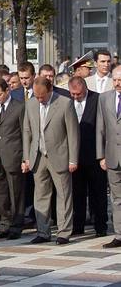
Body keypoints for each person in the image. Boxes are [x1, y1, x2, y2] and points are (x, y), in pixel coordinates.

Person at [22, 77, 79, 245]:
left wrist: (73, 159)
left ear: (50, 90)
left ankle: (64, 232)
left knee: (63, 195)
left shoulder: (65, 103)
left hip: (60, 156)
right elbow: (27, 131)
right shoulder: (31, 104)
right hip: (38, 157)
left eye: (43, 97)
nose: (40, 100)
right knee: (40, 195)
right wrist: (26, 157)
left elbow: (73, 133)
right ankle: (43, 231)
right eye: (37, 97)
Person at [0, 78, 25, 240]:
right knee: (0, 195)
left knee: (16, 194)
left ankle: (16, 226)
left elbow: (25, 134)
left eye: (0, 95)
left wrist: (25, 158)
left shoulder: (19, 107)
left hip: (14, 156)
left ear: (7, 91)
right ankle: (4, 225)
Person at [68, 76, 107, 237]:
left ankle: (100, 225)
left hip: (94, 155)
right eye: (73, 94)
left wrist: (103, 154)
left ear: (85, 89)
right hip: (75, 156)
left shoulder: (97, 99)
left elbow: (104, 128)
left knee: (97, 192)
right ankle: (78, 225)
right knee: (77, 192)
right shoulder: (67, 101)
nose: (76, 97)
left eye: (78, 94)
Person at [96, 66, 121, 248]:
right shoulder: (105, 98)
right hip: (112, 156)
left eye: (120, 80)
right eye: (115, 80)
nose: (117, 83)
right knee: (116, 198)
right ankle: (119, 234)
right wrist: (101, 155)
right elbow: (100, 128)